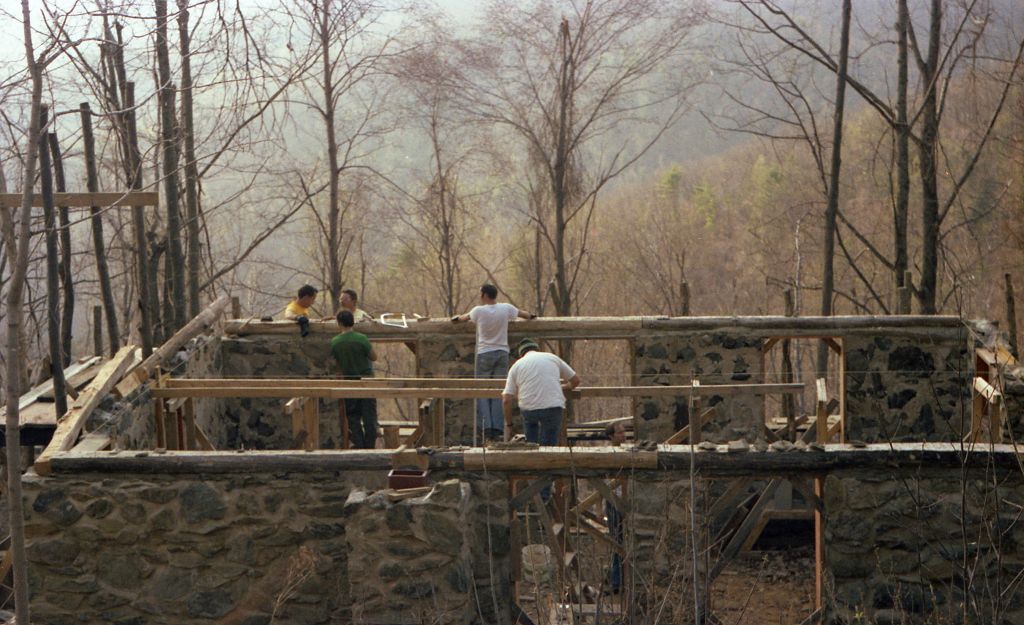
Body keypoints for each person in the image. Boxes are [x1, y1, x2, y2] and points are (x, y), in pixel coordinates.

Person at [452, 284, 536, 442]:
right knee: (500, 390)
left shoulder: (478, 311)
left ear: (484, 295)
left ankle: (487, 427)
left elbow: (462, 319)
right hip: (502, 353)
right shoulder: (505, 308)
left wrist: (456, 318)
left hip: (484, 353)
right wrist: (532, 316)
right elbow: (524, 314)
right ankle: (497, 428)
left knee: (482, 390)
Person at [502, 338, 580, 447]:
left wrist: (509, 424)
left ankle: (532, 451)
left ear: (521, 354)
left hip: (529, 409)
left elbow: (506, 400)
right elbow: (575, 380)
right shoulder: (552, 358)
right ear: (537, 349)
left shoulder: (516, 366)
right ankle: (548, 455)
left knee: (531, 445)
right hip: (552, 406)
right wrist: (564, 387)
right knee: (549, 447)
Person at [330, 310, 378, 449]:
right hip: (366, 381)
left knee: (353, 417)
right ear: (352, 321)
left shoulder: (335, 342)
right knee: (369, 417)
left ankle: (359, 447)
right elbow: (374, 357)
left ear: (339, 323)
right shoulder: (361, 338)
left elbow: (336, 364)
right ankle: (370, 448)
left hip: (348, 381)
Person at [604, 421, 627, 594]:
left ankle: (619, 579)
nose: (623, 435)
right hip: (613, 502)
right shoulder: (606, 454)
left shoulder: (627, 451)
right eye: (619, 433)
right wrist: (599, 508)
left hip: (626, 502)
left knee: (624, 543)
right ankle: (616, 582)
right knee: (617, 542)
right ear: (611, 436)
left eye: (624, 432)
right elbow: (600, 482)